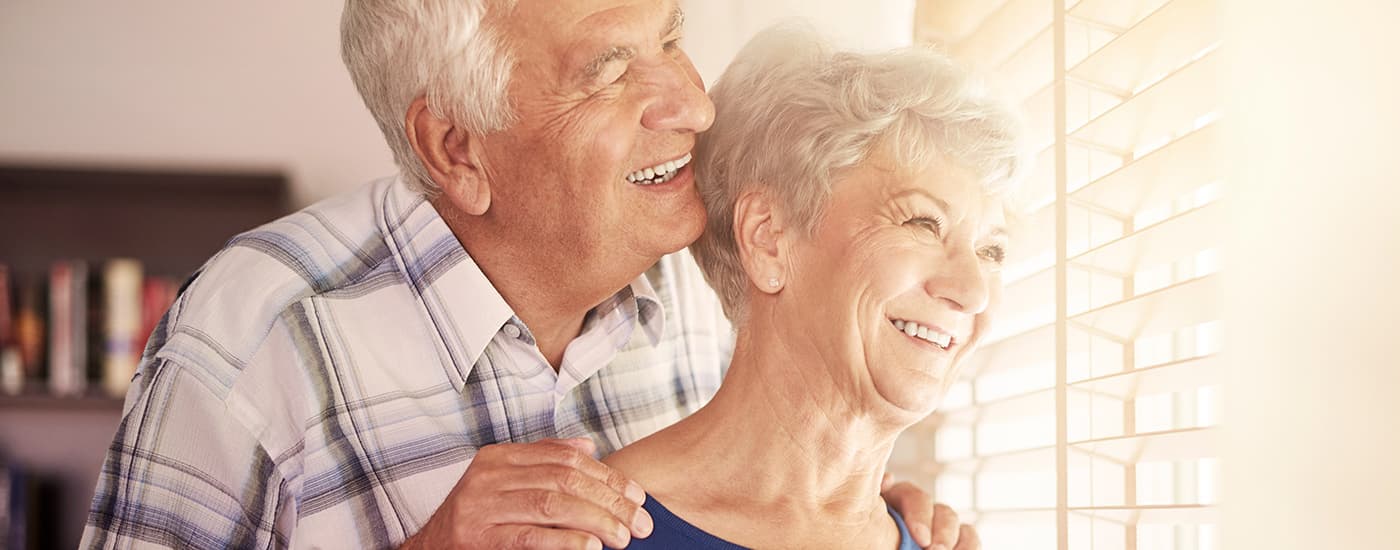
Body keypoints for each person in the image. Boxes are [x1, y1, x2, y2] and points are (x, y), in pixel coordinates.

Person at [80, 1, 975, 549]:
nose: (694, 104)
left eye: (670, 37)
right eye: (612, 70)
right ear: (457, 147)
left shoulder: (703, 283)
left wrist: (840, 515)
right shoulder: (249, 344)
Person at [602, 24, 1023, 549]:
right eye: (921, 223)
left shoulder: (929, 540)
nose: (973, 290)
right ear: (770, 239)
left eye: (992, 251)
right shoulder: (593, 535)